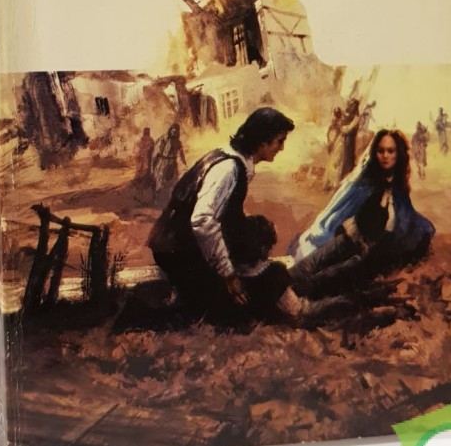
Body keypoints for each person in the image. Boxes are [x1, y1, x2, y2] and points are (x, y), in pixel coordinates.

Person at [147, 107, 296, 320]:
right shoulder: (228, 169)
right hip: (178, 251)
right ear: (263, 141)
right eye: (279, 141)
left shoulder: (230, 158)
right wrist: (228, 275)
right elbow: (202, 221)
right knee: (250, 296)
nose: (281, 148)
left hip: (177, 244)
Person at [289, 129, 435, 298]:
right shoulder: (363, 183)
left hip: (369, 258)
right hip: (349, 241)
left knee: (320, 283)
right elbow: (337, 213)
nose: (385, 156)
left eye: (390, 151)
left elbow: (406, 221)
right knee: (303, 270)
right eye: (381, 151)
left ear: (398, 154)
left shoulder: (398, 188)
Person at [151, 122, 186, 196]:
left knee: (173, 180)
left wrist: (184, 163)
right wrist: (156, 160)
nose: (174, 132)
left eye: (176, 131)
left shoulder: (178, 142)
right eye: (173, 130)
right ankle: (157, 195)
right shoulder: (164, 139)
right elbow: (158, 150)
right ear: (170, 130)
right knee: (160, 179)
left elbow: (181, 154)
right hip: (164, 161)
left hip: (172, 162)